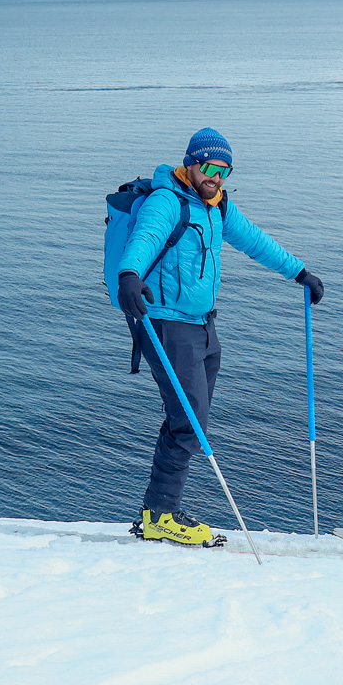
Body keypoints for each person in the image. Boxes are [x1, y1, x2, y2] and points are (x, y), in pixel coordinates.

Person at [115, 128, 324, 546]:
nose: (216, 176)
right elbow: (146, 238)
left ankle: (158, 511)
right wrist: (129, 275)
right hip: (168, 325)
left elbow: (256, 241)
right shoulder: (166, 201)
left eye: (225, 170)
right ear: (191, 162)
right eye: (209, 167)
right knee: (189, 421)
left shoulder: (217, 206)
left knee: (189, 418)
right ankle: (161, 516)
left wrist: (299, 271)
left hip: (204, 325)